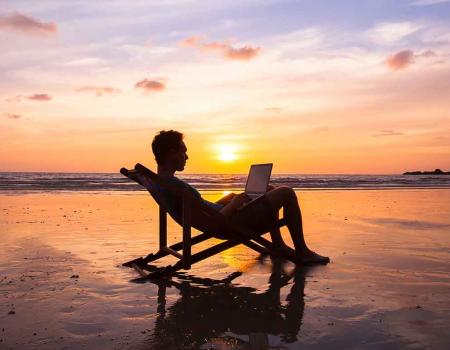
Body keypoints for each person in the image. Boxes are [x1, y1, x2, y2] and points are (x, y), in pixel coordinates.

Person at [151, 130, 329, 265]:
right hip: (229, 223)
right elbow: (213, 224)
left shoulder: (162, 182)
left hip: (223, 214)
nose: (187, 157)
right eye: (183, 152)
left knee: (270, 188)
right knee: (286, 193)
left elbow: (202, 211)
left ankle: (278, 245)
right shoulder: (175, 186)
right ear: (171, 153)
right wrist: (235, 204)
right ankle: (302, 252)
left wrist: (229, 199)